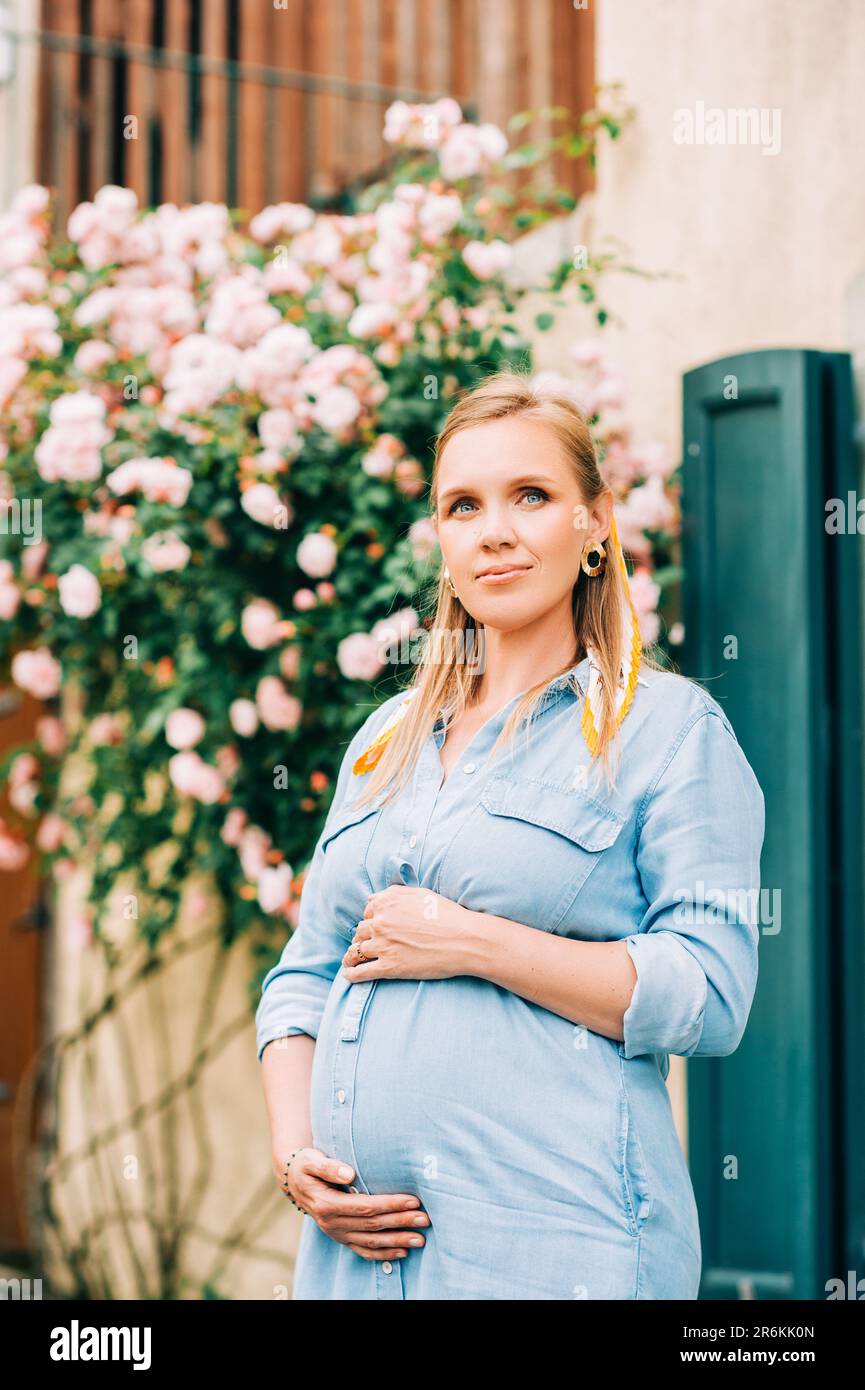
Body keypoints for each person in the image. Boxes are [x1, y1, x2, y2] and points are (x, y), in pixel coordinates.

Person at [255, 369, 766, 1300]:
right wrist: (298, 1159)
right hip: (352, 1267)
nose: (493, 530)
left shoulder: (667, 731)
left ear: (593, 523)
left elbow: (709, 994)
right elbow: (304, 975)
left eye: (530, 496)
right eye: (462, 505)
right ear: (441, 541)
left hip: (555, 1252)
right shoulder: (385, 741)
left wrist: (473, 944)